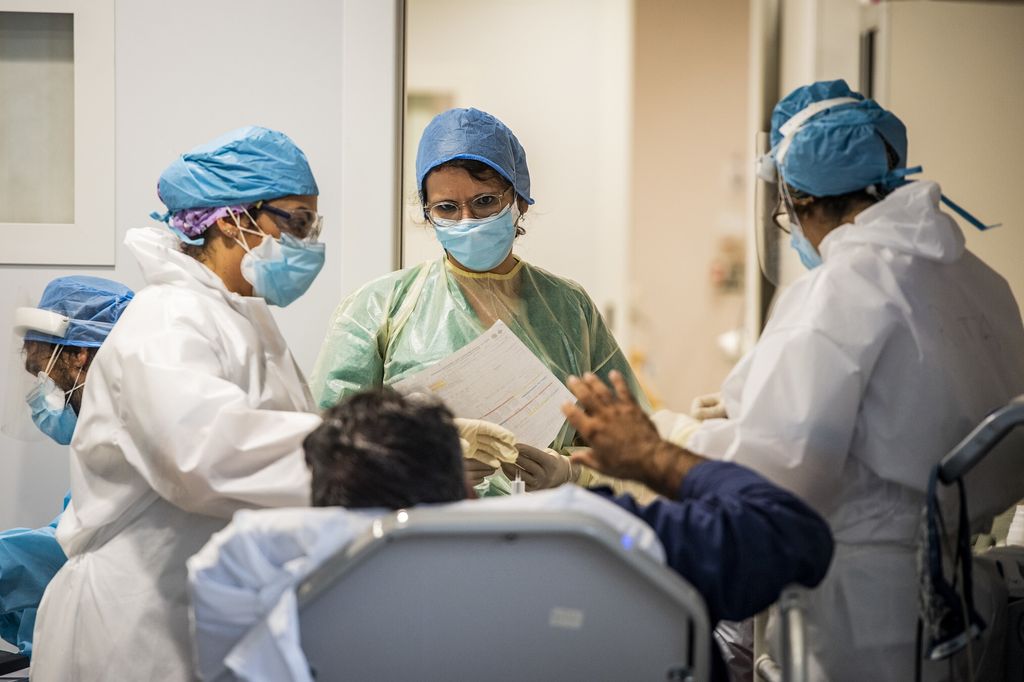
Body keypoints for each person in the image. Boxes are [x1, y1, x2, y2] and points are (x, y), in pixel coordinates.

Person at [664, 80, 1024, 681]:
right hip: (962, 602)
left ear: (802, 201)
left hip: (861, 612)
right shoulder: (983, 282)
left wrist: (666, 435)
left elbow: (775, 475)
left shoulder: (842, 285)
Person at [192, 385, 831, 681]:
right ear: (468, 486)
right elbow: (792, 535)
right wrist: (653, 457)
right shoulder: (599, 539)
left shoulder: (278, 580)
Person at [30, 126, 326, 682]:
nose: (309, 244)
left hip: (192, 608)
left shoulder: (242, 319)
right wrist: (371, 449)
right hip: (138, 626)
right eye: (298, 222)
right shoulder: (167, 316)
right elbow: (205, 456)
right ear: (231, 221)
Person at [310, 107, 648, 495]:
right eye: (447, 209)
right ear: (427, 212)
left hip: (544, 529)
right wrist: (422, 465)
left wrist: (571, 471)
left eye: (485, 201)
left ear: (519, 200)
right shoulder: (379, 308)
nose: (467, 220)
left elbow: (634, 442)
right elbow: (329, 446)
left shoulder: (570, 309)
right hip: (422, 534)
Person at [0, 276, 132, 658]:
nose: (39, 391)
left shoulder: (124, 438)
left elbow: (70, 551)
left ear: (80, 356)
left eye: (43, 372)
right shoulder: (102, 436)